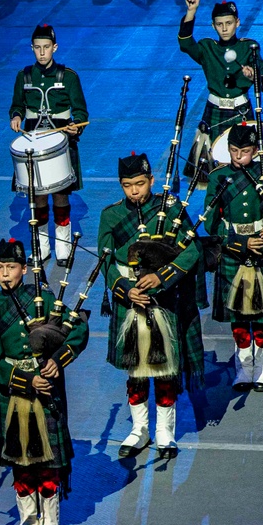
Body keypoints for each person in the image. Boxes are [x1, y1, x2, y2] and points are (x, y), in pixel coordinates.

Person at [0, 239, 88, 525]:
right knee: (21, 461)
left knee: (49, 460)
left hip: (48, 390)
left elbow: (77, 329)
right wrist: (26, 382)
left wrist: (58, 359)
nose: (5, 274)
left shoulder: (45, 298)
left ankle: (51, 524)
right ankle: (28, 523)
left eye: (11, 267)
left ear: (24, 269)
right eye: (0, 268)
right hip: (14, 393)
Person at [98, 152, 205, 458]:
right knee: (136, 371)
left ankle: (165, 433)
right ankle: (139, 430)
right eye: (128, 185)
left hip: (165, 294)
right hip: (130, 298)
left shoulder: (169, 209)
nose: (135, 191)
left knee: (166, 371)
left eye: (141, 184)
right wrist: (125, 289)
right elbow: (105, 262)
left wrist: (162, 276)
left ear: (151, 181)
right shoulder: (111, 216)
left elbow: (191, 249)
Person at [204, 123, 263, 392]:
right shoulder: (217, 177)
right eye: (233, 151)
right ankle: (244, 369)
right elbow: (210, 221)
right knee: (238, 316)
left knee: (261, 315)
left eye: (244, 151)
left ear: (256, 151)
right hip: (234, 249)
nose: (237, 157)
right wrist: (239, 242)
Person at [9, 24, 88, 267]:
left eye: (46, 48)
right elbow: (17, 105)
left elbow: (81, 111)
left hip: (61, 142)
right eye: (37, 48)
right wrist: (16, 116)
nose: (42, 53)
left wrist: (77, 126)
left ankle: (63, 249)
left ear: (54, 47)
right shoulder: (24, 76)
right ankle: (41, 248)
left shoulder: (70, 76)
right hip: (34, 142)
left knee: (61, 195)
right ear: (32, 48)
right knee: (38, 197)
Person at [178, 0, 263, 180]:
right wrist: (191, 11)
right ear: (213, 26)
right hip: (214, 112)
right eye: (219, 24)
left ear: (237, 22)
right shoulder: (207, 47)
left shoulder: (249, 48)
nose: (224, 28)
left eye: (228, 23)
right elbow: (185, 44)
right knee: (212, 168)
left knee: (244, 163)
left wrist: (254, 76)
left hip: (242, 112)